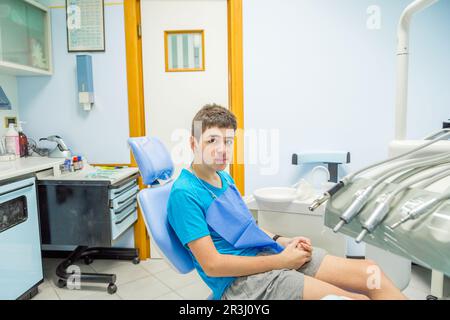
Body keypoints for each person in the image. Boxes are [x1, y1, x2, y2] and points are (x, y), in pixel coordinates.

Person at [167, 104, 407, 300]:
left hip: (267, 254)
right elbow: (213, 265)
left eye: (228, 141)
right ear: (193, 144)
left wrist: (282, 241)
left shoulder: (224, 178)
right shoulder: (185, 194)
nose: (222, 150)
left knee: (370, 273)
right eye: (212, 141)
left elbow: (246, 228)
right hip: (243, 284)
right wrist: (281, 261)